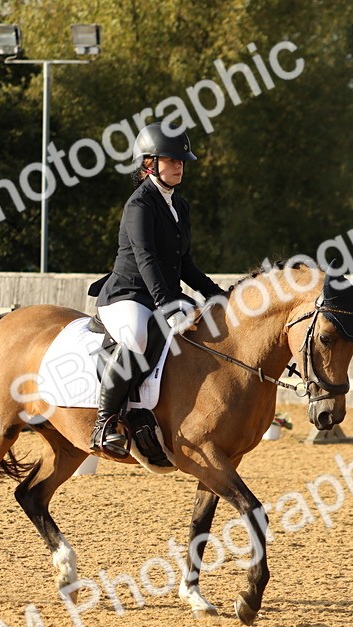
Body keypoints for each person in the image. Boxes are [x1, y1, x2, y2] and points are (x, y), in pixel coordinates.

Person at [86, 122, 226, 457]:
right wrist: (168, 302)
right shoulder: (140, 204)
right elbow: (145, 258)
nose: (179, 165)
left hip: (162, 294)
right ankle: (105, 422)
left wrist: (216, 294)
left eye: (182, 161)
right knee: (137, 334)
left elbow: (185, 263)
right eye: (172, 159)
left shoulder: (180, 205)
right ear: (149, 163)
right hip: (127, 295)